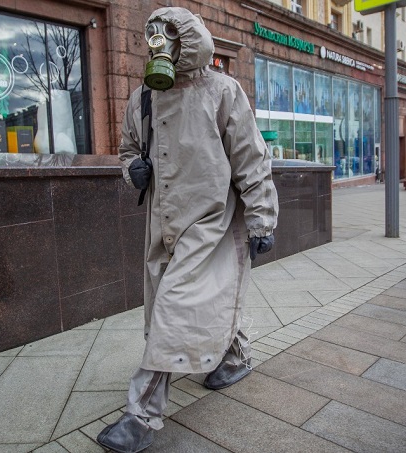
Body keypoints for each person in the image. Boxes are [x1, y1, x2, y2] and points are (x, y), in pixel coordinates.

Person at [97, 7, 279, 453]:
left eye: (169, 35)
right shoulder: (143, 98)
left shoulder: (222, 90)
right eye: (153, 36)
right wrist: (132, 171)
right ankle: (234, 358)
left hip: (213, 221)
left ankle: (141, 415)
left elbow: (251, 160)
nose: (160, 44)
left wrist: (261, 218)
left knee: (174, 311)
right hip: (162, 222)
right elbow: (127, 150)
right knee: (176, 301)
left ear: (189, 40)